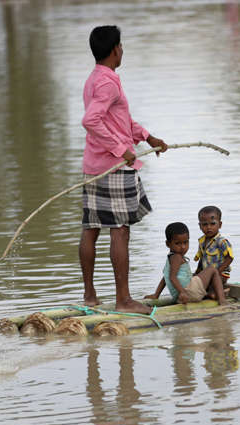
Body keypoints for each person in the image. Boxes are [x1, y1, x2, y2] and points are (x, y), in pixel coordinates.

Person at [80, 25, 168, 314]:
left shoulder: (96, 79)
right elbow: (92, 121)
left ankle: (90, 296)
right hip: (114, 167)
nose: (123, 50)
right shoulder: (108, 83)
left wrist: (147, 137)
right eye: (121, 45)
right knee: (119, 230)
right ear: (115, 49)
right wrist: (121, 150)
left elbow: (119, 121)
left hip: (94, 165)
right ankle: (123, 300)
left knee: (91, 228)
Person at [145, 222, 228, 306]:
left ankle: (211, 294)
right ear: (168, 244)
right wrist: (182, 292)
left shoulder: (170, 258)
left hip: (180, 297)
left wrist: (156, 295)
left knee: (196, 275)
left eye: (185, 242)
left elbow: (165, 278)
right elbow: (172, 277)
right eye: (178, 243)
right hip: (188, 293)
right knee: (212, 270)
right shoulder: (176, 257)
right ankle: (222, 300)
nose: (183, 247)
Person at [194, 205, 233, 297]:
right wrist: (197, 272)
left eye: (212, 224)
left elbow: (230, 257)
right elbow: (201, 259)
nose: (208, 227)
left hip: (221, 274)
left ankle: (217, 294)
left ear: (220, 224)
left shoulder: (221, 242)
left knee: (211, 291)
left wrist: (219, 271)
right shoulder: (202, 241)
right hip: (208, 274)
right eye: (205, 224)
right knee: (194, 280)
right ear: (200, 226)